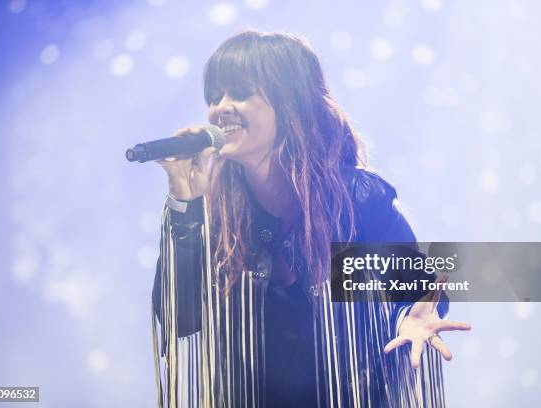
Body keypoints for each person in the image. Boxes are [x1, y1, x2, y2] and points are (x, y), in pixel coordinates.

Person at [151, 30, 471, 408]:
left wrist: (406, 317)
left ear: (290, 102)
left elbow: (421, 290)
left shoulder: (356, 199)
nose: (220, 107)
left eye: (238, 92)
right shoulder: (216, 212)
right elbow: (178, 322)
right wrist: (184, 201)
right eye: (214, 96)